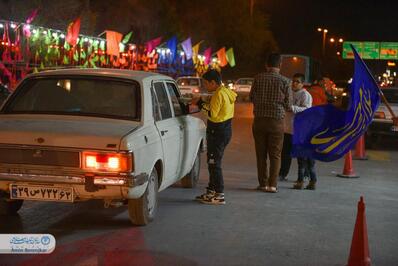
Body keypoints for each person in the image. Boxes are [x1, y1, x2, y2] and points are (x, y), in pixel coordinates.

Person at [193, 69, 237, 205]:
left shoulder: (219, 94)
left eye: (206, 83)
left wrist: (199, 104)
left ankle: (219, 194)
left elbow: (212, 114)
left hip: (217, 133)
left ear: (213, 82)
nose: (205, 86)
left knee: (214, 163)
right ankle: (211, 191)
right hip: (224, 130)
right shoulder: (225, 92)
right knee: (212, 162)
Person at [250, 53, 292, 193]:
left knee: (260, 154)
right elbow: (288, 104)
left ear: (266, 64)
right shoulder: (286, 81)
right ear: (280, 65)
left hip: (259, 121)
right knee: (275, 155)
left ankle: (262, 183)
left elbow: (251, 97)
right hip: (276, 122)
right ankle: (272, 185)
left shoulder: (258, 78)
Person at [279, 73, 312, 181]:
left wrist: (292, 108)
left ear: (302, 84)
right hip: (287, 128)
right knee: (285, 154)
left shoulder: (305, 95)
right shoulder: (288, 93)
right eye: (293, 81)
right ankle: (282, 174)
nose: (294, 83)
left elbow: (307, 109)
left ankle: (304, 175)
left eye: (297, 81)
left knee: (301, 155)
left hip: (300, 130)